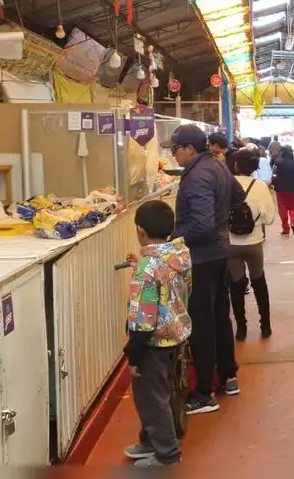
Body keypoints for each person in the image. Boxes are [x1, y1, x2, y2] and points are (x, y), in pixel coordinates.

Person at [160, 125, 244, 414]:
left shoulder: (195, 177)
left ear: (190, 149)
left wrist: (173, 239)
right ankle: (229, 375)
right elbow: (238, 195)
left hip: (202, 259)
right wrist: (223, 221)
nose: (174, 156)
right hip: (221, 252)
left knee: (202, 322)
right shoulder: (218, 166)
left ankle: (205, 391)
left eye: (176, 150)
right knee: (221, 315)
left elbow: (201, 224)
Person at [121, 200, 192, 467]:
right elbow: (168, 283)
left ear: (140, 231)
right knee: (164, 393)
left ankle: (167, 455)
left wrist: (134, 354)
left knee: (152, 400)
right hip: (176, 335)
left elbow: (143, 319)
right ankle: (150, 441)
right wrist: (144, 264)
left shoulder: (147, 270)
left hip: (153, 343)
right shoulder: (179, 254)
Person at [226, 149, 276, 341]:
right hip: (254, 242)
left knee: (237, 285)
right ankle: (265, 326)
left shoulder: (227, 185)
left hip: (231, 243)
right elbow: (269, 218)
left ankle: (241, 329)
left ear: (235, 165)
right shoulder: (260, 186)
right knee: (259, 282)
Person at [273, 145, 294, 236]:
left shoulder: (277, 162)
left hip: (280, 189)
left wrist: (274, 183)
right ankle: (293, 223)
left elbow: (274, 175)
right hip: (293, 188)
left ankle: (285, 229)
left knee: (282, 208)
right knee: (293, 208)